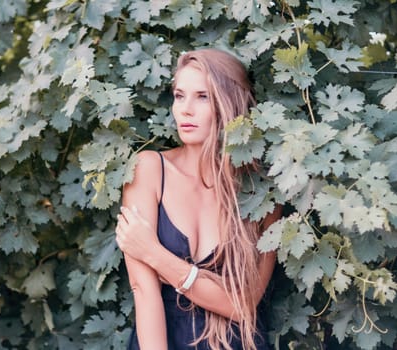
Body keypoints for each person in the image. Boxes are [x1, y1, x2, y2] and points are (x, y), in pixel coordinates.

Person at [115, 48, 282, 350]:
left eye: (202, 96)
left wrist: (155, 255)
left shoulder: (260, 192)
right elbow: (143, 288)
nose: (185, 109)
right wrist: (207, 286)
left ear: (229, 104)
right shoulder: (149, 169)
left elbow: (242, 305)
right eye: (179, 96)